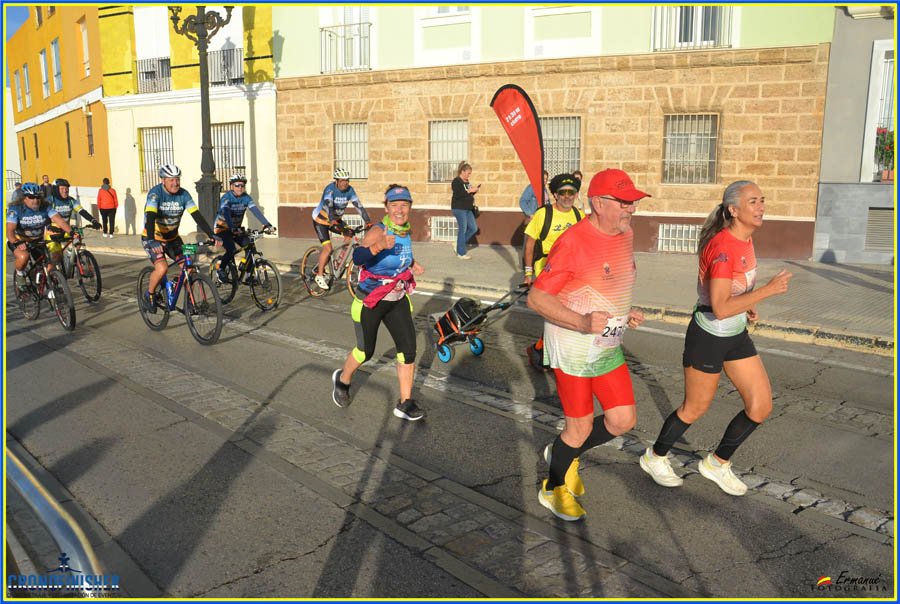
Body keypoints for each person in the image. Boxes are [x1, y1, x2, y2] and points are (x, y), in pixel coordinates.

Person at [639, 180, 793, 496]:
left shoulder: (745, 240)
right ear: (733, 210)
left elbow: (732, 293)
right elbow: (720, 308)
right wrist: (766, 291)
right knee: (694, 408)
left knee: (760, 406)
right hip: (709, 335)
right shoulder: (723, 247)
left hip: (735, 334)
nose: (761, 207)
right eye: (753, 201)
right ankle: (655, 456)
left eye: (762, 200)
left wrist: (747, 303)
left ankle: (717, 463)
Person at [528, 168, 649, 521]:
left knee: (622, 419)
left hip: (607, 345)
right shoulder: (574, 242)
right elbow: (537, 298)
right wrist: (581, 322)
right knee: (578, 427)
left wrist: (626, 312)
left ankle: (565, 453)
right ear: (598, 203)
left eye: (633, 202)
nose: (631, 209)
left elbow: (609, 282)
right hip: (573, 348)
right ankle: (552, 487)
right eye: (623, 202)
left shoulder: (626, 234)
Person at [331, 184, 427, 421]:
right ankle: (342, 380)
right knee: (365, 351)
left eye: (404, 205)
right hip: (371, 301)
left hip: (396, 298)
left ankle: (405, 403)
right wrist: (379, 245)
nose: (399, 210)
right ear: (386, 207)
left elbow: (401, 253)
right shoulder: (378, 230)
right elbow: (358, 257)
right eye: (394, 205)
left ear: (410, 207)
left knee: (408, 351)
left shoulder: (405, 230)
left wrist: (412, 263)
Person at [523, 173, 585, 371]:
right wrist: (528, 273)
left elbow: (585, 245)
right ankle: (545, 353)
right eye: (563, 192)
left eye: (571, 192)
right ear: (555, 195)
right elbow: (530, 244)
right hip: (547, 270)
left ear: (576, 194)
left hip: (571, 271)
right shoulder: (543, 214)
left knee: (566, 315)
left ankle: (541, 349)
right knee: (556, 314)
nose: (567, 196)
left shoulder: (579, 216)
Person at [139, 164, 215, 313]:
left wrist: (212, 235)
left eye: (177, 179)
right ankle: (149, 295)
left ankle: (190, 302)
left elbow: (197, 216)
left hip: (173, 239)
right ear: (163, 180)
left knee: (189, 267)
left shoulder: (184, 195)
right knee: (162, 268)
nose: (175, 183)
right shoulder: (155, 194)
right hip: (153, 238)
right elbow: (150, 217)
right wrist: (152, 240)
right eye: (171, 180)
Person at [7, 182, 79, 290]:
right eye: (31, 197)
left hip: (38, 240)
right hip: (19, 240)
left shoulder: (46, 207)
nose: (35, 200)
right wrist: (17, 242)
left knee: (52, 260)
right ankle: (20, 275)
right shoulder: (16, 209)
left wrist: (72, 232)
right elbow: (10, 231)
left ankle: (47, 285)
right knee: (24, 257)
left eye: (37, 197)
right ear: (24, 198)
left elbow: (59, 220)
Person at [311, 167, 372, 290]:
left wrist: (368, 221)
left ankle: (339, 261)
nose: (345, 183)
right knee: (328, 248)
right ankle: (319, 275)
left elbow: (358, 206)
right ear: (336, 181)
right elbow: (329, 205)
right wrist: (332, 220)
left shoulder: (350, 190)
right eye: (342, 180)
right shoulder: (330, 190)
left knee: (349, 235)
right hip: (321, 220)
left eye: (347, 180)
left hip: (335, 220)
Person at [213, 174, 275, 282]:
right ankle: (221, 269)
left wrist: (267, 224)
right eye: (237, 185)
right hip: (222, 229)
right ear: (232, 186)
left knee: (249, 246)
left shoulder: (246, 198)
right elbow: (226, 212)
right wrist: (231, 227)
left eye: (242, 185)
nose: (240, 188)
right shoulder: (226, 198)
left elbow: (255, 211)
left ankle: (248, 275)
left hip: (236, 229)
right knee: (231, 249)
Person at [45, 178, 101, 270]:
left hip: (67, 229)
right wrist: (48, 225)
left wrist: (93, 220)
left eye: (67, 188)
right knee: (55, 257)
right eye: (62, 188)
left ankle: (70, 255)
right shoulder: (50, 201)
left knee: (78, 238)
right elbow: (44, 214)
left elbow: (82, 211)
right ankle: (52, 274)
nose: (65, 190)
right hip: (52, 230)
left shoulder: (71, 201)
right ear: (56, 190)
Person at [451, 161, 480, 259]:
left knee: (473, 228)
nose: (469, 175)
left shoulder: (467, 182)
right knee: (462, 230)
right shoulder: (456, 181)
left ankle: (458, 243)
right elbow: (458, 194)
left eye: (470, 174)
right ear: (462, 171)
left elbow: (468, 194)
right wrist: (469, 190)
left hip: (468, 208)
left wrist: (474, 191)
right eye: (468, 173)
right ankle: (461, 253)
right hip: (459, 208)